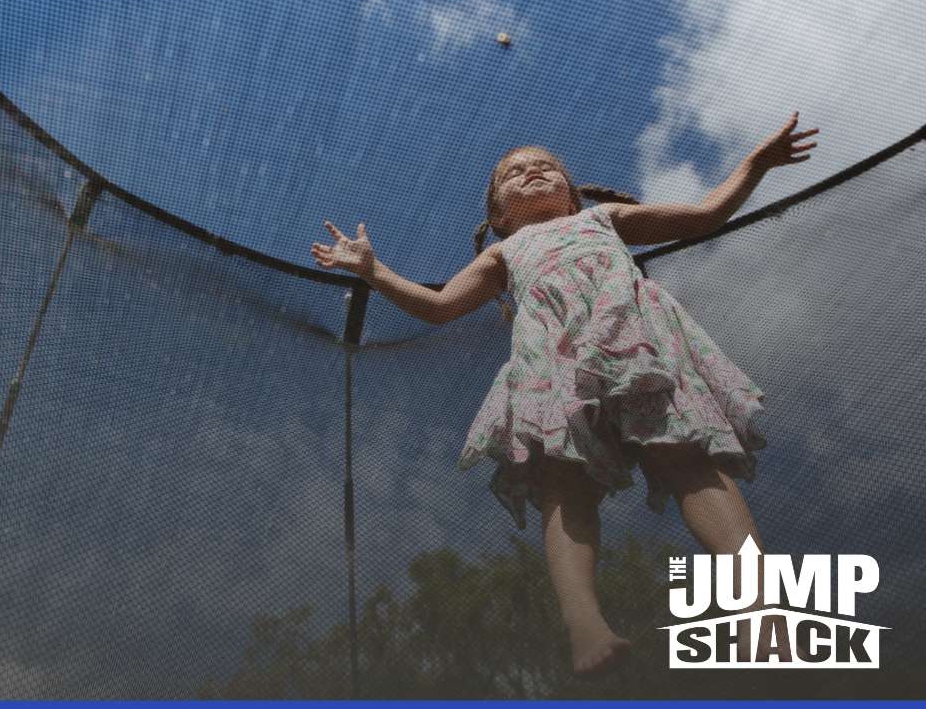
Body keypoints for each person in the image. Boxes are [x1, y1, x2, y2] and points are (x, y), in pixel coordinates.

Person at [310, 112, 819, 677]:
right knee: (563, 483)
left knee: (686, 455)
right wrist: (373, 270)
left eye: (545, 168)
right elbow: (440, 306)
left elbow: (704, 216)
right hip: (552, 363)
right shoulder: (501, 255)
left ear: (571, 196)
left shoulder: (605, 219)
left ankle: (760, 607)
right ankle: (585, 625)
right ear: (499, 215)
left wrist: (755, 164)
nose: (530, 173)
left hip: (629, 339)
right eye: (514, 174)